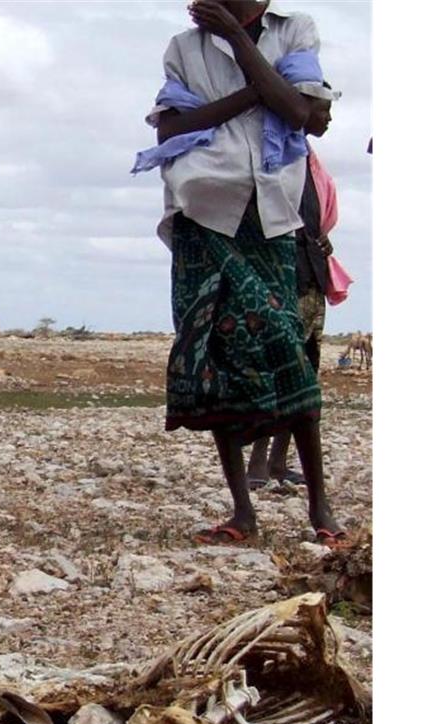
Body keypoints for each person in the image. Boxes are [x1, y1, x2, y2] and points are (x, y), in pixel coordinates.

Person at [137, 0, 347, 546]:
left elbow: (304, 116)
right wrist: (263, 90)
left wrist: (237, 37)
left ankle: (321, 507)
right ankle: (242, 513)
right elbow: (173, 130)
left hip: (273, 215)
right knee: (215, 356)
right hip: (202, 212)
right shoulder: (184, 47)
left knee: (287, 347)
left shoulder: (295, 29)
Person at [247, 82, 341, 489]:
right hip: (284, 277)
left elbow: (312, 217)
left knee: (304, 373)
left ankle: (278, 462)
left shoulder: (309, 162)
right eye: (323, 110)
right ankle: (257, 464)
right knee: (279, 370)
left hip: (310, 276)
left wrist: (322, 240)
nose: (329, 118)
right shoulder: (280, 157)